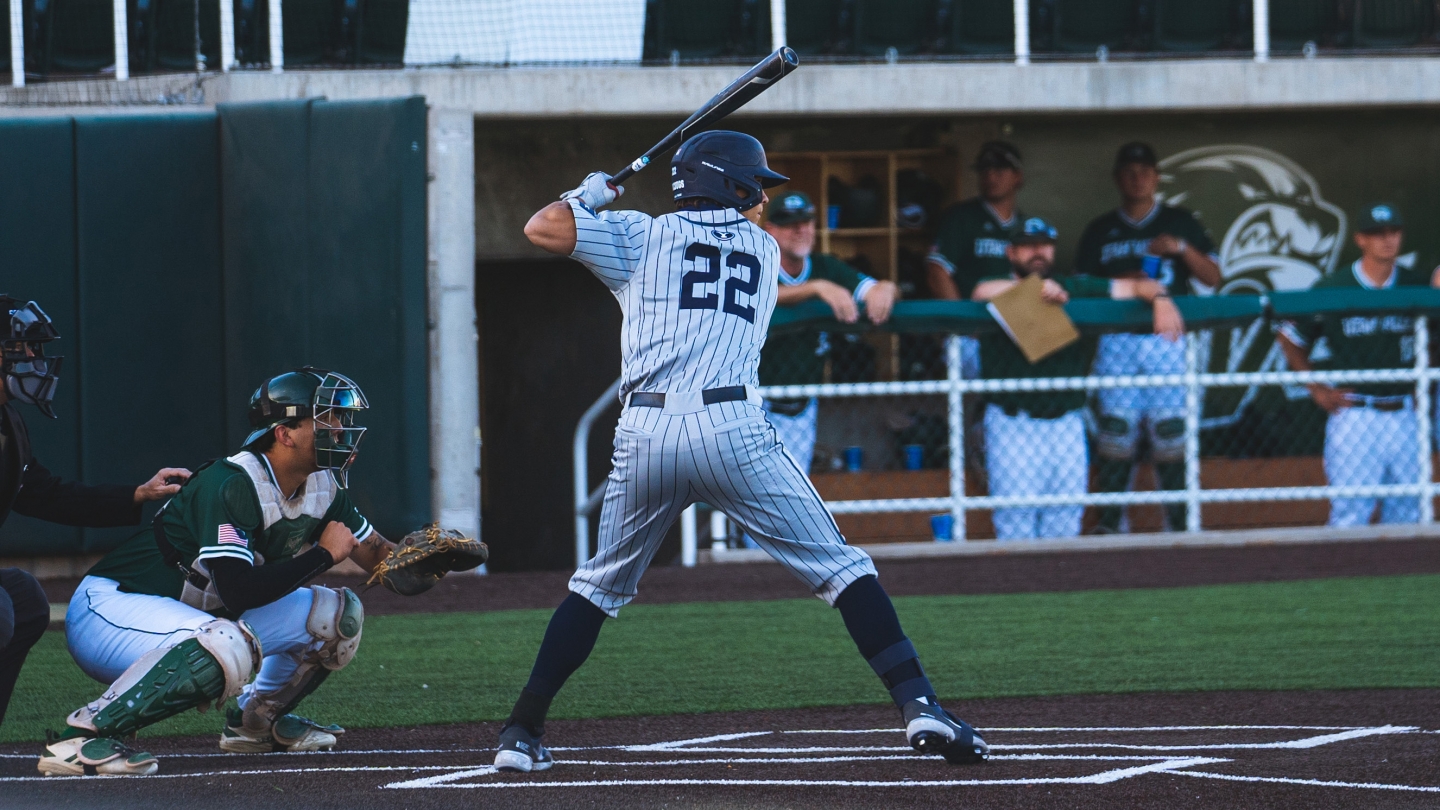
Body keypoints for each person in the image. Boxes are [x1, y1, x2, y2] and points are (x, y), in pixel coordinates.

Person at [503, 130, 989, 773]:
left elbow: (542, 228)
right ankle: (920, 705)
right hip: (733, 427)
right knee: (842, 569)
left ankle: (520, 731)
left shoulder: (638, 234)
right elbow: (722, 229)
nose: (761, 199)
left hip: (645, 433)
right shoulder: (762, 250)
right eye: (753, 185)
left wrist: (586, 196)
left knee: (598, 586)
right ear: (727, 186)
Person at [38, 368, 397, 777]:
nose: (340, 428)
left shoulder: (322, 485)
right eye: (327, 417)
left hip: (194, 612)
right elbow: (239, 592)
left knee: (336, 618)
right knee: (225, 643)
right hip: (111, 610)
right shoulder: (233, 482)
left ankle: (254, 726)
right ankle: (81, 738)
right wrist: (322, 557)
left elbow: (387, 562)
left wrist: (434, 557)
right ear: (285, 433)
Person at [0, 296, 189, 731]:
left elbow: (43, 494)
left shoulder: (9, 423)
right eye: (22, 347)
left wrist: (137, 495)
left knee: (24, 599)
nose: (34, 358)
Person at [973, 218, 1183, 540]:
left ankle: (1057, 591)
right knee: (1015, 525)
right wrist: (1032, 291)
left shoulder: (1074, 287)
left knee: (1066, 522)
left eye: (1044, 244)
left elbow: (1134, 286)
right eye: (1028, 245)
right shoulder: (996, 284)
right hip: (1013, 423)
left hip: (1066, 423)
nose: (1037, 252)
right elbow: (980, 292)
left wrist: (1161, 299)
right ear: (1011, 252)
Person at [1074, 142, 1221, 533]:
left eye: (1144, 170)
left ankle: (1181, 523)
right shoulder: (1101, 230)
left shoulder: (1179, 221)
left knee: (1171, 433)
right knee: (1115, 434)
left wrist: (1182, 249)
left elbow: (1213, 277)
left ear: (1156, 176)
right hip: (1117, 338)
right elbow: (1081, 286)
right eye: (1129, 171)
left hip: (1168, 340)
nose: (1137, 178)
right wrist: (1127, 283)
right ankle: (1110, 525)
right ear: (1118, 178)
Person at [1277, 203, 1440, 527]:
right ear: (1360, 239)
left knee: (1411, 514)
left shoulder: (1415, 284)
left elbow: (1435, 341)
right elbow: (1290, 336)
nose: (1387, 240)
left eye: (1393, 232)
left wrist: (1426, 384)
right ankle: (1342, 578)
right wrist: (1316, 388)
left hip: (1405, 412)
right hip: (1355, 413)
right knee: (1350, 515)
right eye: (1377, 233)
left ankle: (1403, 580)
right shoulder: (1334, 286)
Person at [757, 190, 900, 474]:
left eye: (806, 221)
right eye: (789, 223)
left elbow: (878, 289)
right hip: (755, 406)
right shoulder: (757, 263)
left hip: (803, 407)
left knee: (790, 500)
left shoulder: (825, 266)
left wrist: (886, 288)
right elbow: (759, 295)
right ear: (770, 230)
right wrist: (816, 288)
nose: (801, 229)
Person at [926, 140, 1028, 379]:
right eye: (985, 170)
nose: (991, 176)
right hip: (971, 335)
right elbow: (936, 272)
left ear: (1018, 177)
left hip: (1015, 331)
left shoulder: (1026, 226)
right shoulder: (961, 217)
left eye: (1000, 170)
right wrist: (964, 324)